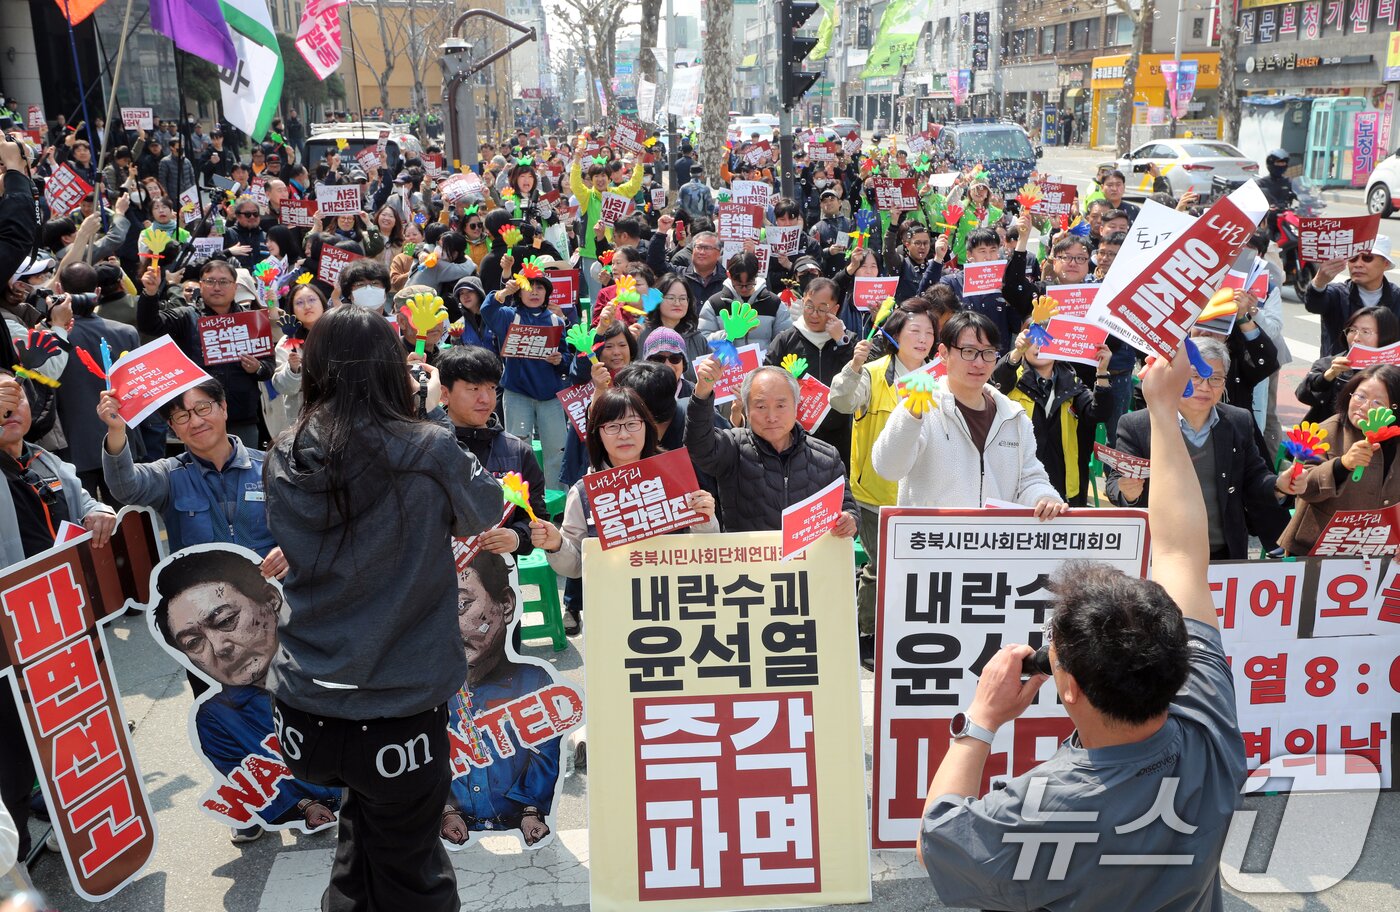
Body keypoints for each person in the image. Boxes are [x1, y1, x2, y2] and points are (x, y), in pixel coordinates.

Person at [918, 344, 1248, 912]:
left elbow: (939, 839)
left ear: (1067, 687)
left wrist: (979, 723)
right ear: (1180, 661)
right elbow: (1179, 553)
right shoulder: (1206, 723)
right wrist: (1163, 414)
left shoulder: (1043, 806)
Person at [263, 306, 502, 912]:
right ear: (395, 371)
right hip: (396, 702)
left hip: (305, 702)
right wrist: (421, 421)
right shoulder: (428, 446)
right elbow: (483, 508)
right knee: (411, 865)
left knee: (362, 829)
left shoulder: (286, 451)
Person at [0, 371, 116, 868]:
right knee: (12, 744)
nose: (12, 411)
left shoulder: (42, 459)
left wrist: (98, 511)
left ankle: (78, 828)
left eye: (18, 400)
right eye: (0, 404)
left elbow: (82, 497)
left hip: (63, 622)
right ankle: (14, 857)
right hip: (9, 634)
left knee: (71, 728)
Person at [151, 549, 342, 832]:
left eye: (226, 620)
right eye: (193, 643)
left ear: (271, 600)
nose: (219, 647)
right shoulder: (216, 720)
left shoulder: (334, 661)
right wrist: (304, 805)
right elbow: (246, 776)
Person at [830, 298, 948, 669]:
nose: (923, 338)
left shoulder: (940, 377)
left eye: (929, 332)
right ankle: (868, 635)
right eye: (915, 330)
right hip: (875, 495)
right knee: (880, 568)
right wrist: (853, 365)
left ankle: (907, 630)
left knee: (918, 571)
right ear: (895, 334)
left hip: (925, 493)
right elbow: (841, 401)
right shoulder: (872, 373)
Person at [1107, 336, 1297, 560]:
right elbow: (1115, 483)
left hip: (1222, 551)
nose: (1204, 387)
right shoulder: (1139, 425)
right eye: (1195, 377)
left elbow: (1254, 477)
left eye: (1215, 378)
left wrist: (1278, 485)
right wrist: (1127, 492)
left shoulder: (1237, 421)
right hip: (1160, 554)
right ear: (1177, 378)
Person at [532, 387, 720, 613]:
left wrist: (705, 518)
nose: (623, 434)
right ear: (598, 434)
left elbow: (704, 549)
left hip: (676, 599)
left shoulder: (675, 477)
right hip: (614, 609)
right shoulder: (584, 492)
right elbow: (575, 567)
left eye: (632, 423)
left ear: (647, 427)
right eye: (612, 426)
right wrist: (557, 545)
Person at [872, 311, 1067, 516]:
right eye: (968, 351)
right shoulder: (920, 407)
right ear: (944, 353)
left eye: (988, 352)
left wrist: (1044, 497)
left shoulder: (1013, 417)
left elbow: (1029, 479)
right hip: (933, 542)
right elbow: (888, 468)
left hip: (992, 543)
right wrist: (911, 418)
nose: (979, 363)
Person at [440, 551, 567, 846]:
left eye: (461, 604)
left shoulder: (534, 682)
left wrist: (530, 813)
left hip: (516, 825)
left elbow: (543, 755)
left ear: (506, 604)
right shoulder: (429, 686)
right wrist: (446, 811)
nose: (446, 623)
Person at [686, 361, 858, 534]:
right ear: (746, 410)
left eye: (781, 406)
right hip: (750, 559)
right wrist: (702, 391)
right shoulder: (732, 447)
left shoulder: (827, 457)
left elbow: (847, 506)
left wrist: (849, 520)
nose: (771, 417)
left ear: (796, 406)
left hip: (809, 559)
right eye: (761, 407)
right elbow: (698, 444)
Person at [136, 258, 275, 447]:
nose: (216, 287)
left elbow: (268, 366)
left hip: (242, 417)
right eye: (210, 281)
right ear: (201, 286)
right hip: (199, 417)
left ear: (235, 287)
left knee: (245, 472)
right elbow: (149, 325)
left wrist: (257, 367)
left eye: (223, 282)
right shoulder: (186, 316)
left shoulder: (252, 320)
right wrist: (150, 293)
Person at [438, 345, 546, 558]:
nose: (486, 399)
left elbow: (537, 517)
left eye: (491, 388)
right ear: (444, 393)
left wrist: (517, 537)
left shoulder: (517, 451)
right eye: (474, 389)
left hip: (497, 583)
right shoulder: (425, 447)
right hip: (436, 580)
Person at [1280, 364, 1400, 554]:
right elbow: (1304, 488)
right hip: (1320, 546)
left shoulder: (1395, 439)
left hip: (1379, 547)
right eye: (1360, 396)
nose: (1364, 406)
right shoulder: (1325, 431)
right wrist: (1342, 465)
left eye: (1378, 403)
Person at [992, 323, 1114, 507]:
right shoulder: (1011, 377)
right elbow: (996, 383)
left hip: (1061, 484)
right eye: (1032, 339)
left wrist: (1102, 372)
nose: (1039, 346)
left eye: (1047, 339)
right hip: (1016, 484)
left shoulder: (1072, 383)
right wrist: (1015, 353)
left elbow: (1098, 413)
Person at [54, 262, 141, 503]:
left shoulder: (50, 338)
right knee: (127, 521)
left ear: (60, 289)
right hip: (120, 440)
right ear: (98, 292)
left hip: (72, 446)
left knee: (85, 524)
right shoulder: (126, 333)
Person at [763, 277, 855, 465]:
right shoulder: (786, 339)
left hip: (838, 432)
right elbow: (766, 376)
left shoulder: (847, 339)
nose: (814, 314)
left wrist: (841, 341)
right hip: (795, 431)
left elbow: (860, 373)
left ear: (835, 310)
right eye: (809, 306)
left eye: (822, 309)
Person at [1297, 306, 1400, 424]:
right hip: (1331, 436)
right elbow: (1303, 395)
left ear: (1385, 335)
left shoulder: (1395, 369)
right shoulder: (1330, 364)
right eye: (1352, 330)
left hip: (1381, 437)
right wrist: (1328, 376)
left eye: (1365, 332)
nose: (1356, 338)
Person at [1304, 234, 1400, 357]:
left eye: (1367, 258)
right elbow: (1314, 305)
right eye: (1353, 258)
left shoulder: (1397, 297)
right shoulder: (1337, 293)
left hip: (1384, 373)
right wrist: (1319, 282)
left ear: (1385, 263)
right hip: (1339, 373)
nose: (1358, 264)